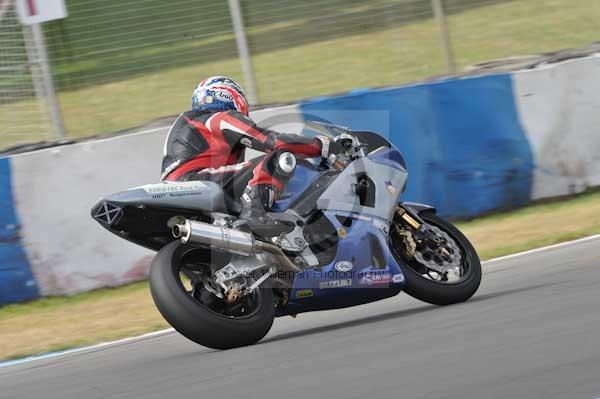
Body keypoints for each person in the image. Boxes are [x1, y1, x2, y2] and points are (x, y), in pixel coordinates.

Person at [160, 76, 333, 235]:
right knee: (280, 157)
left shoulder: (193, 124)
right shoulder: (219, 118)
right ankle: (253, 212)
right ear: (230, 96)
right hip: (196, 181)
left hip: (180, 187)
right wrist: (321, 146)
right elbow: (271, 140)